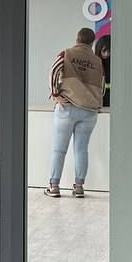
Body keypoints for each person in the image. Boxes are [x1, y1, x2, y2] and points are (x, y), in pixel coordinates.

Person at [46, 27, 106, 198]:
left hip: (68, 106)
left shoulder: (67, 54)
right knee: (81, 150)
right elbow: (102, 85)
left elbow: (54, 71)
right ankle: (79, 187)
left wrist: (55, 94)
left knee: (59, 149)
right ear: (92, 42)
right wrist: (97, 103)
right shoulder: (97, 61)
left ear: (77, 39)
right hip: (90, 111)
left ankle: (54, 187)